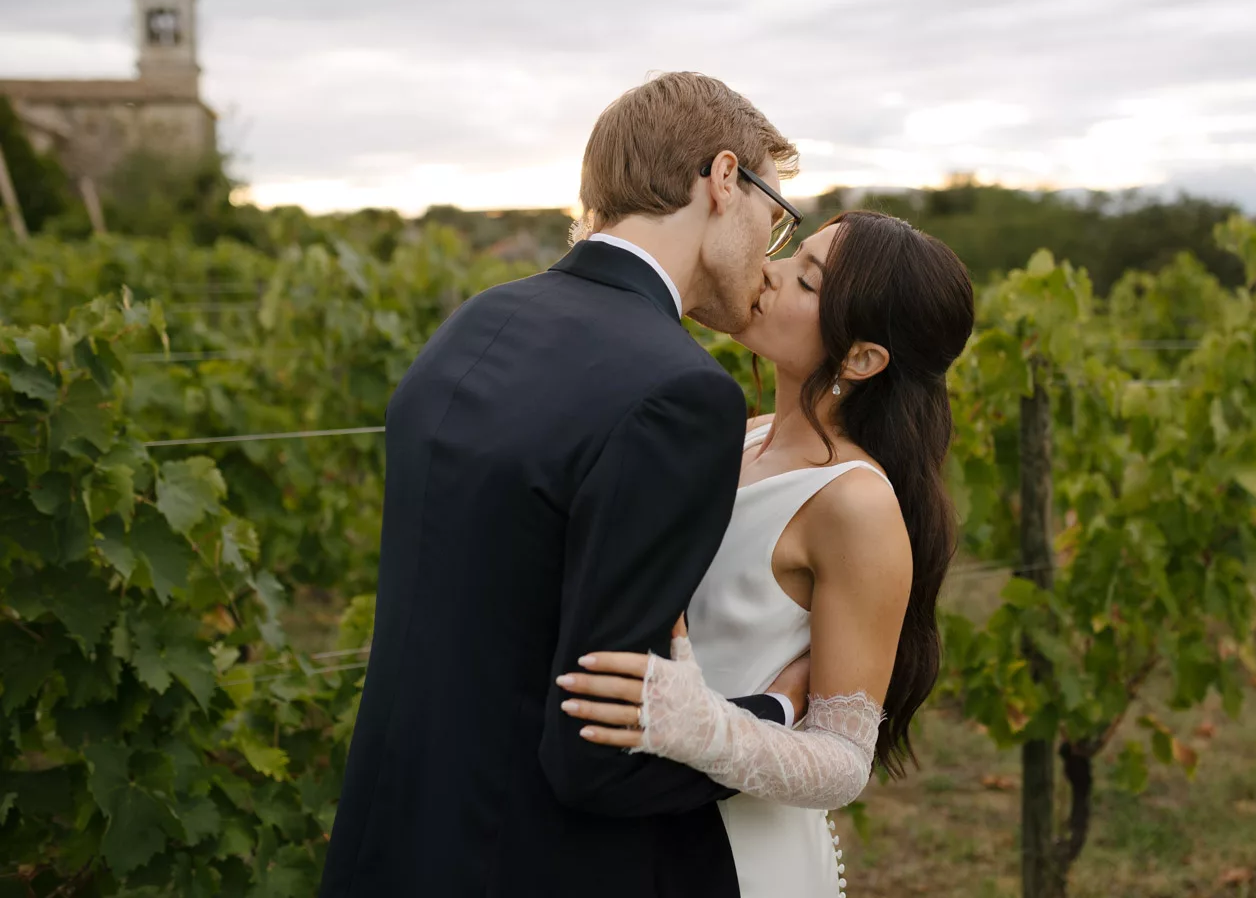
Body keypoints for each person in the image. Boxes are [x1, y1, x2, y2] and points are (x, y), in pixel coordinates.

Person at [319, 71, 809, 898]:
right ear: (724, 179)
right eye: (775, 215)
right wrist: (772, 723)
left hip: (389, 844)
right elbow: (598, 757)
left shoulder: (477, 322)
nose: (772, 248)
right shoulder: (681, 394)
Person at [557, 211, 976, 897]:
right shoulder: (742, 436)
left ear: (863, 358)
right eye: (793, 255)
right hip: (643, 821)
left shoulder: (853, 503)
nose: (770, 270)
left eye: (807, 281)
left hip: (739, 853)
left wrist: (704, 728)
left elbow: (843, 764)